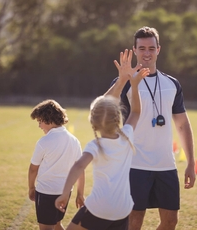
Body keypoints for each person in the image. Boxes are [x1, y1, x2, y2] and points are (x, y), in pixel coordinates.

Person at [108, 26, 196, 230]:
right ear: (135, 50)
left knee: (170, 221)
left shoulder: (172, 83)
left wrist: (191, 162)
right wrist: (122, 79)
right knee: (134, 221)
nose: (146, 53)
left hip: (166, 165)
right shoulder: (126, 82)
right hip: (134, 164)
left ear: (158, 49)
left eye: (151, 48)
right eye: (142, 48)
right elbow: (103, 107)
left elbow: (182, 124)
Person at [55, 50, 150, 230]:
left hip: (99, 209)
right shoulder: (127, 136)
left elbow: (77, 167)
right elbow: (136, 112)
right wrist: (135, 85)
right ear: (118, 117)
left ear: (94, 122)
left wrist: (64, 194)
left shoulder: (95, 145)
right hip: (123, 209)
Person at [28, 99, 85, 230]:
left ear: (48, 119)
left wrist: (31, 188)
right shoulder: (74, 140)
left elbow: (33, 169)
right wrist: (80, 194)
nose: (39, 126)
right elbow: (80, 169)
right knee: (57, 224)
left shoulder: (44, 141)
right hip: (65, 193)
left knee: (46, 227)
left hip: (46, 192)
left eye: (40, 121)